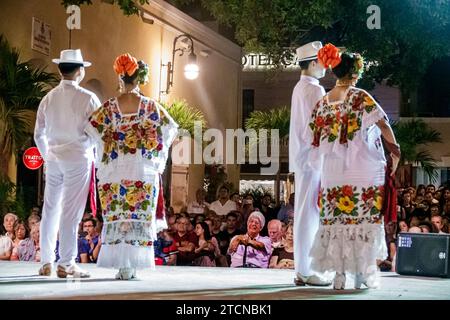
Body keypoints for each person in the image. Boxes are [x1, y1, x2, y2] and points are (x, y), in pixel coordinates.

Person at [305, 44, 400, 289]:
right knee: (363, 220)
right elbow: (383, 124)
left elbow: (312, 136)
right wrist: (395, 150)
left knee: (337, 221)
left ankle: (339, 276)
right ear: (354, 72)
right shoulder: (360, 96)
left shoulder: (323, 102)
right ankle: (362, 275)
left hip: (332, 171)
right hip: (361, 168)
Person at [85, 53, 178, 280]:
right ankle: (133, 265)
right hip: (141, 171)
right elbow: (170, 130)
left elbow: (91, 130)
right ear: (139, 79)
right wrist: (153, 154)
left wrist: (109, 146)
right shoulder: (150, 107)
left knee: (118, 216)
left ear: (120, 78)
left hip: (114, 172)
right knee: (137, 216)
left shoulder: (108, 108)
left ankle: (121, 265)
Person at [34, 49, 100, 278]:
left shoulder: (48, 97)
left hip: (53, 158)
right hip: (78, 157)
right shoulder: (88, 98)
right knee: (71, 212)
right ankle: (66, 262)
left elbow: (38, 134)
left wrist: (47, 155)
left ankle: (45, 261)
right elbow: (98, 132)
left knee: (50, 209)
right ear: (80, 71)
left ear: (60, 69)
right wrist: (92, 152)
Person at [289, 41, 331, 286]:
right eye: (322, 62)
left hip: (303, 158)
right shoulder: (315, 90)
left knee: (306, 212)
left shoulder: (300, 87)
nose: (326, 67)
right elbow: (318, 128)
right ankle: (306, 270)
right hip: (312, 158)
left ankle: (302, 269)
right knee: (309, 214)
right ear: (313, 63)